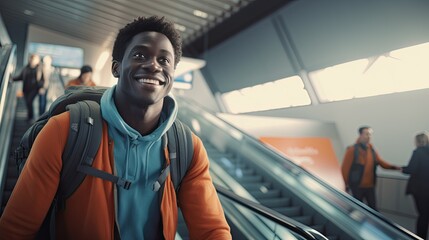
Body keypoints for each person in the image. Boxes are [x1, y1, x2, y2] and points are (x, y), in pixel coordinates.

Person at [0, 16, 231, 239]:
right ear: (116, 68)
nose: (153, 65)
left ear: (172, 73)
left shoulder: (188, 148)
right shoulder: (65, 131)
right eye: (140, 55)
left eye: (164, 60)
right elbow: (16, 229)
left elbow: (212, 231)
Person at [341, 126, 401, 210]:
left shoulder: (371, 149)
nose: (369, 137)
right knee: (357, 210)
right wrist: (346, 185)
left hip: (370, 186)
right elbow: (345, 169)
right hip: (357, 187)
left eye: (370, 134)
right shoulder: (352, 150)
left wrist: (395, 167)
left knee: (373, 209)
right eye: (367, 134)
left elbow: (381, 162)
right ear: (360, 135)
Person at [402, 132, 429, 239]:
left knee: (422, 215)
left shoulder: (418, 152)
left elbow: (411, 169)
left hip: (419, 189)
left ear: (417, 141)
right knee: (426, 214)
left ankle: (420, 236)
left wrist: (403, 169)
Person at [12, 54, 43, 121]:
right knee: (27, 102)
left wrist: (41, 87)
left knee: (29, 101)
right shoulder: (26, 68)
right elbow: (20, 77)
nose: (32, 61)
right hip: (26, 89)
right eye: (31, 59)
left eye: (34, 59)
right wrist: (12, 79)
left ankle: (31, 117)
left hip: (34, 89)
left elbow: (42, 79)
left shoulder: (39, 69)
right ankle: (29, 116)